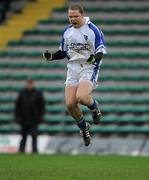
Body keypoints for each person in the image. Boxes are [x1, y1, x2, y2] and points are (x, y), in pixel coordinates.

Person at [43, 4, 107, 146]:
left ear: (82, 15)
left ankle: (95, 108)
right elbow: (63, 52)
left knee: (82, 97)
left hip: (88, 67)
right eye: (70, 16)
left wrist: (94, 58)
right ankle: (84, 129)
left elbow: (101, 50)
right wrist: (51, 56)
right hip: (73, 68)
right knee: (70, 104)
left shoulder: (92, 30)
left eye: (75, 16)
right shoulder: (67, 31)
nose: (72, 19)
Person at [15, 78, 45, 153]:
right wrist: (18, 117)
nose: (30, 85)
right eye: (28, 83)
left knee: (34, 136)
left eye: (31, 83)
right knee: (23, 136)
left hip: (34, 119)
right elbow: (17, 106)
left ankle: (34, 150)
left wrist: (40, 117)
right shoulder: (22, 93)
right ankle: (21, 150)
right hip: (24, 119)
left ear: (33, 84)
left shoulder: (37, 93)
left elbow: (42, 106)